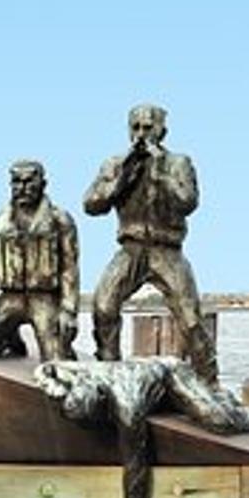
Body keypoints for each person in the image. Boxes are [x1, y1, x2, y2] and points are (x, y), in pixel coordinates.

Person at [82, 104, 216, 383]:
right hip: (130, 250)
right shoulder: (116, 164)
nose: (141, 135)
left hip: (167, 251)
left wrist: (159, 170)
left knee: (191, 320)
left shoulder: (179, 163)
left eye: (148, 128)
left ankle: (209, 380)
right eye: (136, 128)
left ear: (162, 131)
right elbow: (91, 205)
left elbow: (187, 202)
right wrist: (121, 179)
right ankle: (110, 373)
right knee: (103, 306)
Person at [0, 159, 79, 362]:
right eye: (17, 182)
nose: (22, 188)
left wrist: (68, 310)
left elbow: (70, 269)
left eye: (29, 182)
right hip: (9, 298)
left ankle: (63, 348)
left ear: (43, 184)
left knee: (57, 362)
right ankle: (9, 336)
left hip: (45, 299)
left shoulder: (61, 221)